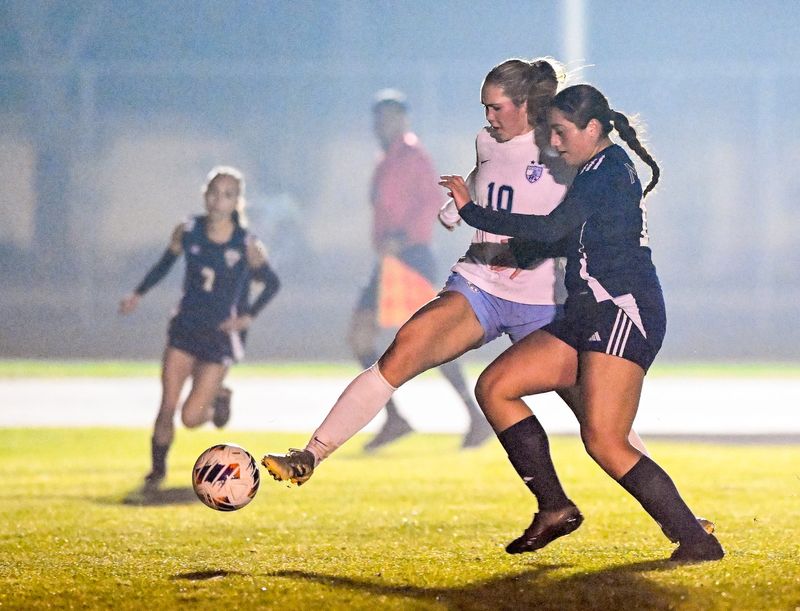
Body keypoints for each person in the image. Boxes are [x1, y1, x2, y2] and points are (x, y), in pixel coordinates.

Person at [261, 58, 653, 491]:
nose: (488, 117)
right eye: (484, 106)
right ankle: (310, 455)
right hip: (480, 282)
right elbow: (486, 170)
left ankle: (682, 516)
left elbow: (568, 218)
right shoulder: (486, 140)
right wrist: (453, 207)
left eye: (497, 107)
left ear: (525, 105)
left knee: (597, 416)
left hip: (543, 297)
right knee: (400, 353)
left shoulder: (560, 147)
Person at [438, 84, 724, 562]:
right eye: (550, 131)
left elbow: (555, 226)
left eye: (561, 131)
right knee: (497, 386)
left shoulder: (609, 171)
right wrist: (519, 252)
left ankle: (695, 539)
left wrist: (472, 212)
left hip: (622, 310)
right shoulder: (595, 170)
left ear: (593, 128)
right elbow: (575, 238)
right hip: (587, 312)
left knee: (605, 442)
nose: (554, 142)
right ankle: (553, 507)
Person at [119, 166, 280, 491]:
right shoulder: (188, 229)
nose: (218, 200)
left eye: (227, 194)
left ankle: (218, 397)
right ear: (205, 196)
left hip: (221, 334)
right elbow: (165, 263)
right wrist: (138, 293)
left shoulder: (246, 243)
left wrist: (248, 316)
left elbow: (272, 284)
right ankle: (156, 471)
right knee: (168, 404)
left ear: (237, 202)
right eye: (213, 193)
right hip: (186, 327)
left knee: (191, 418)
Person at [352, 89, 491, 451]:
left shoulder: (412, 156)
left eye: (392, 115)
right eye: (381, 116)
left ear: (404, 119)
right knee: (361, 335)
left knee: (427, 340)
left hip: (410, 256)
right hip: (390, 259)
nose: (385, 122)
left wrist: (402, 239)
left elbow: (429, 204)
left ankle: (475, 417)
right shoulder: (385, 160)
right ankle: (395, 418)